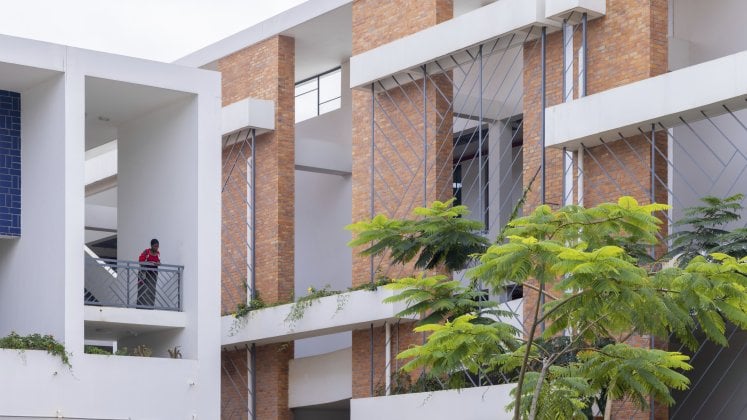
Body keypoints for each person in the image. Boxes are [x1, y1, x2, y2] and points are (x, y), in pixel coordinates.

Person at [137, 239, 161, 308]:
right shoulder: (146, 252)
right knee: (142, 289)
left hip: (153, 274)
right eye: (155, 246)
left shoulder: (158, 253)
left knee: (152, 290)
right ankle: (140, 307)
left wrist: (158, 263)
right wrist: (150, 262)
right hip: (144, 273)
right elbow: (140, 260)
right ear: (151, 246)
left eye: (157, 246)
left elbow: (158, 261)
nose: (156, 248)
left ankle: (150, 306)